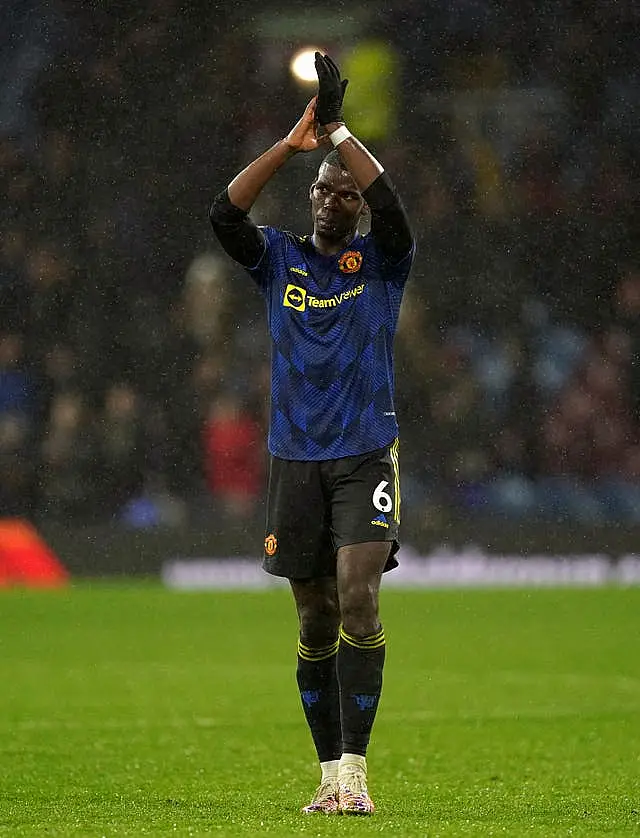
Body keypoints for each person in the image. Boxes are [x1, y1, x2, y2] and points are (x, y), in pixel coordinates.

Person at [209, 53, 414, 816]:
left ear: (358, 206)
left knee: (359, 599)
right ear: (312, 197)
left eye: (345, 191)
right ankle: (327, 775)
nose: (332, 199)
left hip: (364, 452)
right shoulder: (280, 260)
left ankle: (356, 772)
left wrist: (340, 132)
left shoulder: (382, 265)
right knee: (314, 617)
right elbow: (224, 216)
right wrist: (293, 146)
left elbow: (397, 209)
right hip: (295, 460)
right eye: (322, 189)